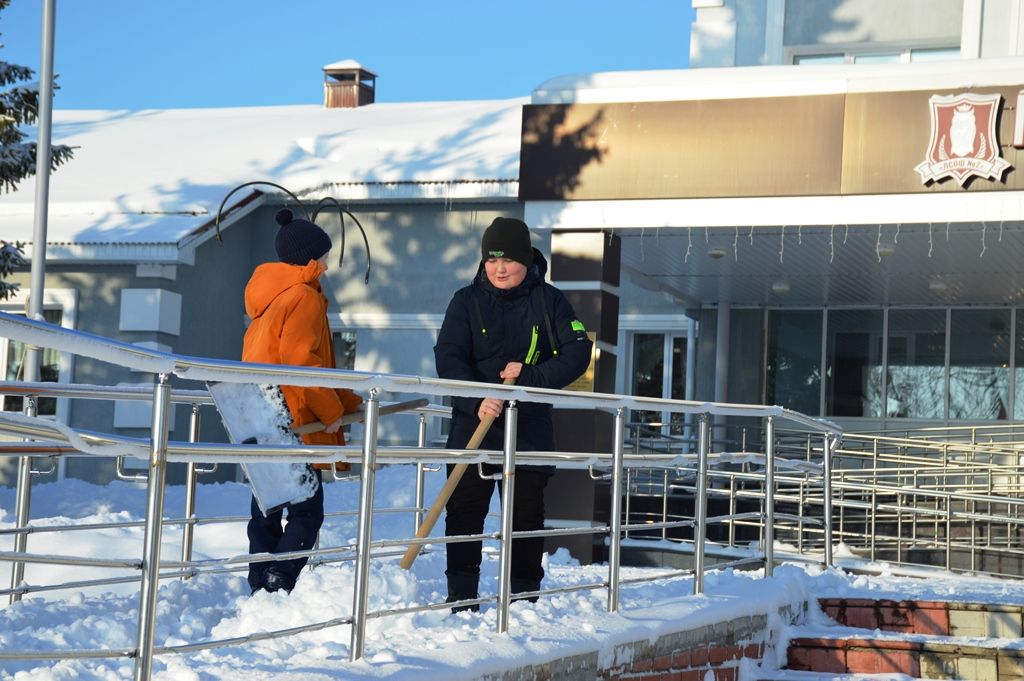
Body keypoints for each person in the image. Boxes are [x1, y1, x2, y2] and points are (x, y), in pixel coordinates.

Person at [434, 216, 592, 610]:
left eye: (508, 261)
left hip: (528, 425)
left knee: (525, 515)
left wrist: (531, 376)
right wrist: (476, 399)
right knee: (465, 510)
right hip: (474, 424)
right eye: (492, 260)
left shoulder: (549, 300)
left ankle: (523, 600)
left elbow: (577, 352)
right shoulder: (465, 301)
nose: (499, 269)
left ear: (526, 260)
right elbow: (449, 357)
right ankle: (462, 597)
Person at [241, 208, 363, 594]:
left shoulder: (268, 299)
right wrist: (331, 414)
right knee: (307, 511)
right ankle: (280, 579)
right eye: (324, 254)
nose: (328, 262)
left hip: (261, 415)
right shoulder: (303, 297)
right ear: (312, 257)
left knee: (268, 506)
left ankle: (260, 580)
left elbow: (310, 365)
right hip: (292, 420)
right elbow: (303, 366)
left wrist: (347, 402)